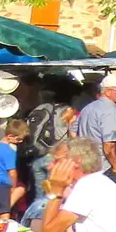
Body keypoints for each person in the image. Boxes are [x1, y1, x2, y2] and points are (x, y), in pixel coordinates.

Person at [21, 91, 74, 223]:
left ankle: (34, 223)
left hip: (38, 157)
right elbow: (72, 133)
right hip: (55, 158)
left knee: (39, 196)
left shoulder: (40, 109)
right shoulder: (68, 111)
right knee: (54, 195)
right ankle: (48, 223)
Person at [76, 74, 116, 173]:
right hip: (103, 167)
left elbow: (73, 131)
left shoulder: (88, 107)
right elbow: (109, 146)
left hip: (86, 164)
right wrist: (115, 167)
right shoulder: (110, 111)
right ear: (109, 91)